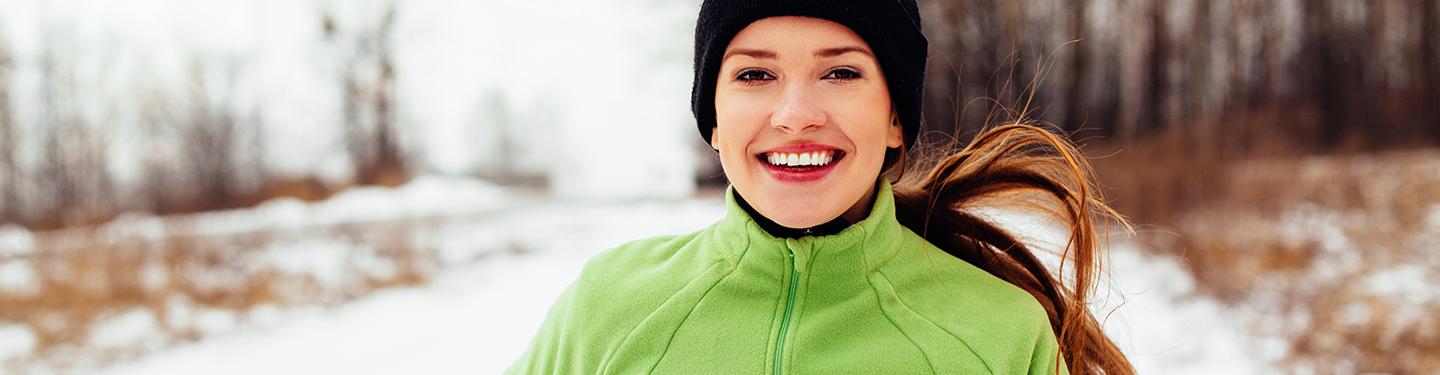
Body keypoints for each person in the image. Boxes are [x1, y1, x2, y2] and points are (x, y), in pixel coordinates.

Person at [506, 0, 1134, 374]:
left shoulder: (1000, 336)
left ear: (895, 118)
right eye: (755, 74)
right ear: (714, 120)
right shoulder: (609, 308)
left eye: (839, 71)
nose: (796, 112)